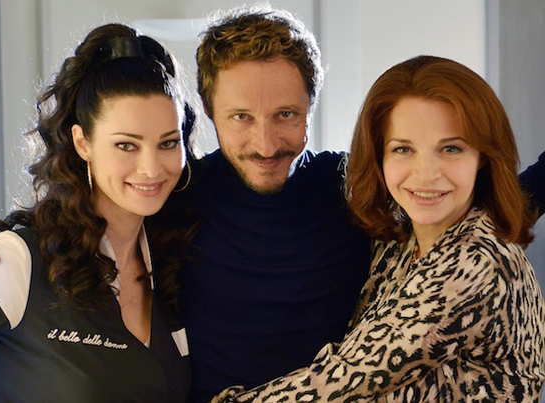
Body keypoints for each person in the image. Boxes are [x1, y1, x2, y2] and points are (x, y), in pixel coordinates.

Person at [0, 5, 544, 403]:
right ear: (208, 113)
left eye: (286, 114)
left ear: (311, 107)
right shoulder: (174, 197)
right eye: (240, 117)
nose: (265, 143)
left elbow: (454, 204)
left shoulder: (354, 192)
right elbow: (79, 216)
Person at [213, 55, 545, 402]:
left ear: (482, 156)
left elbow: (342, 381)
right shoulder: (404, 237)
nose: (426, 174)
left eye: (450, 149)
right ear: (379, 157)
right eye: (403, 149)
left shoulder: (476, 263)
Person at [0, 23, 195, 402]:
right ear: (83, 142)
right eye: (126, 145)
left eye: (168, 143)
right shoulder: (18, 260)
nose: (151, 168)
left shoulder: (171, 256)